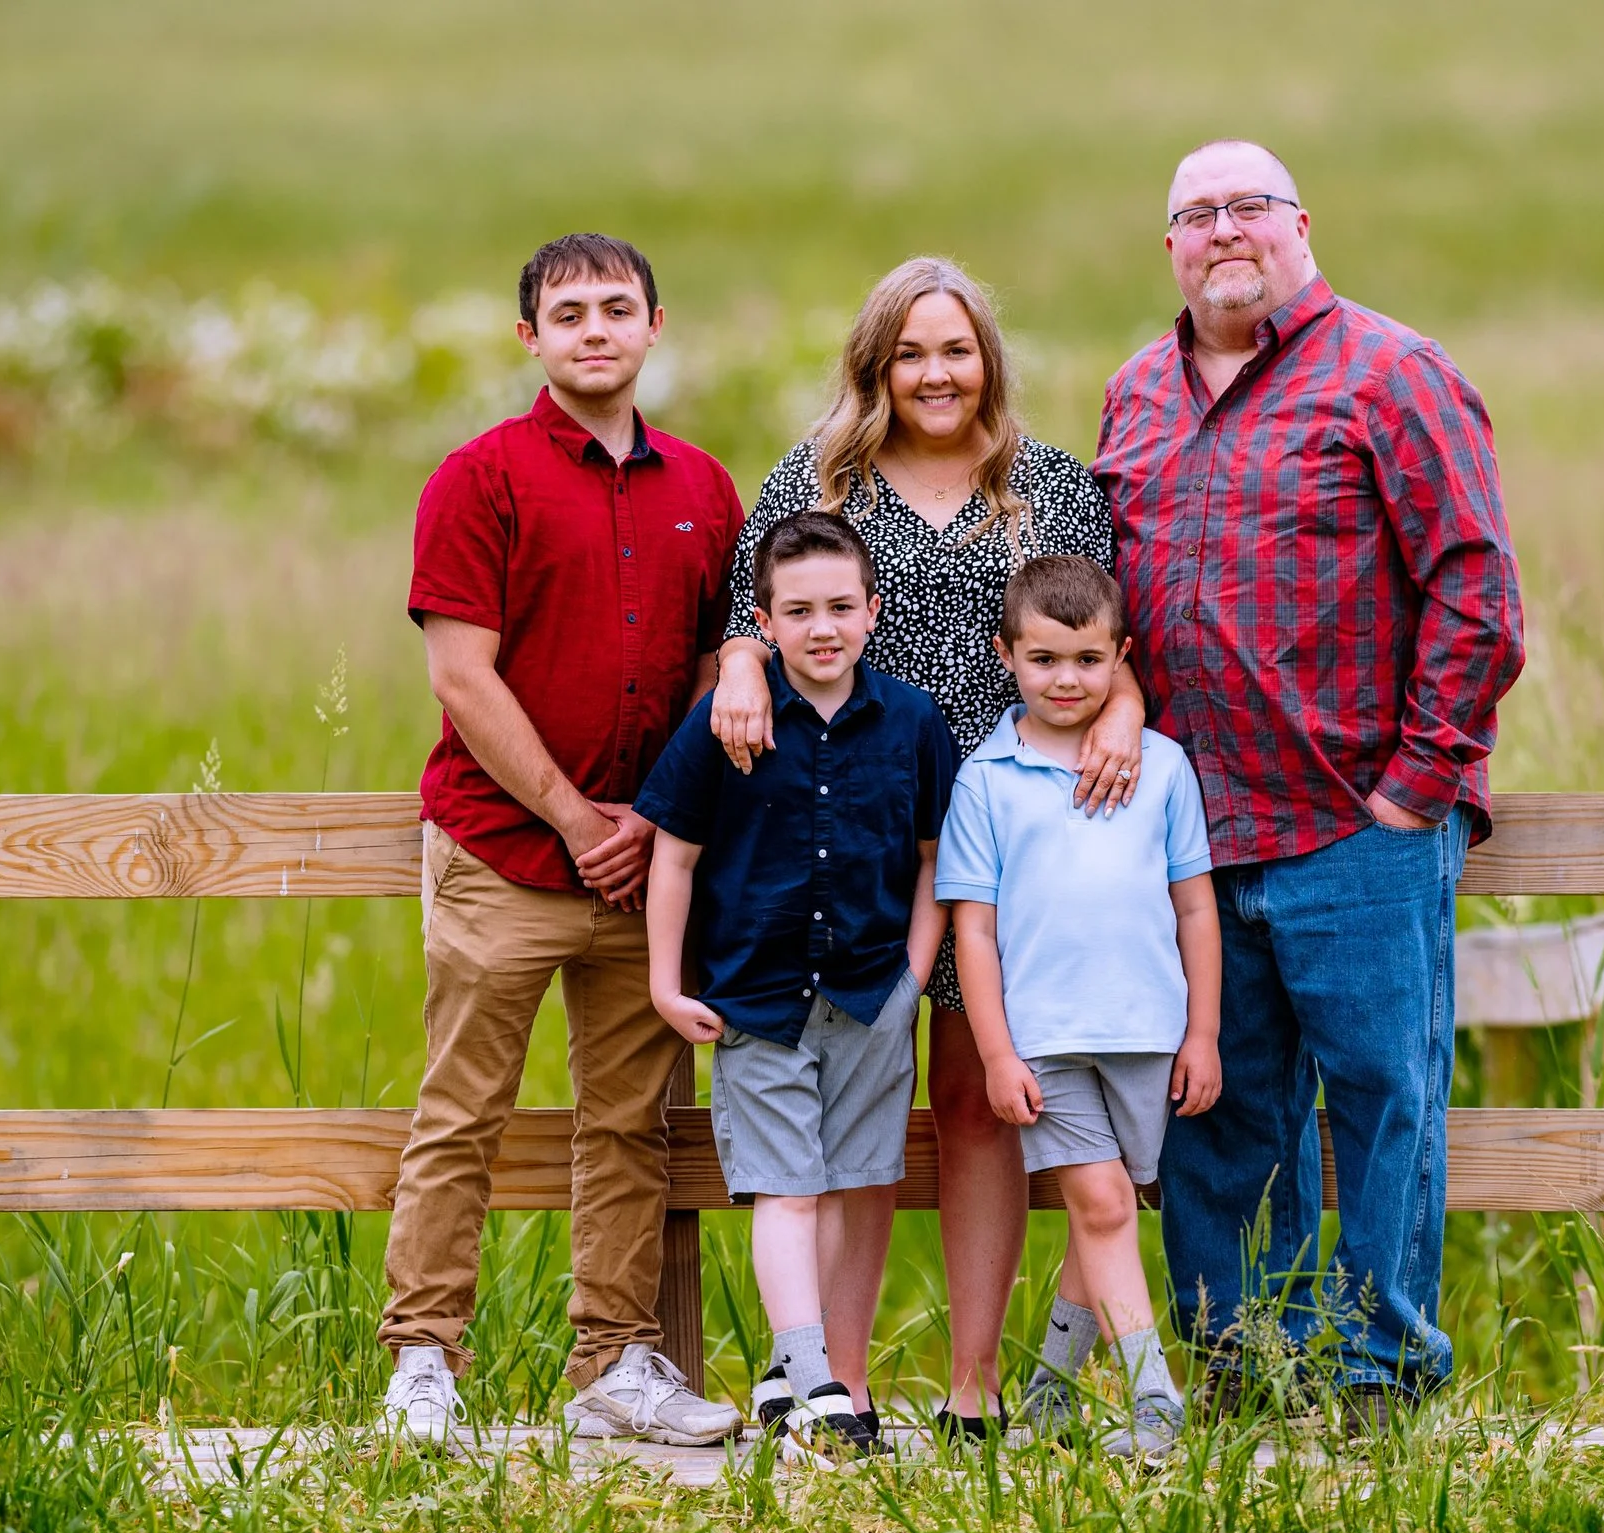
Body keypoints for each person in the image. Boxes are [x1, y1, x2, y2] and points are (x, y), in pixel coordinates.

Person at [1092, 140, 1527, 1421]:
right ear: (1168, 244)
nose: (1224, 230)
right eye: (1195, 214)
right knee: (1218, 1113)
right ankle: (1242, 1374)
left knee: (1385, 1099)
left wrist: (1417, 784)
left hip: (1355, 825)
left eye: (1249, 207)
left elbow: (1476, 588)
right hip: (1193, 835)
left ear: (1299, 225)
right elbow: (1103, 604)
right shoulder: (1134, 393)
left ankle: (1381, 1377)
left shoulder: (1393, 373)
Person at [706, 257, 1142, 1435]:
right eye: (910, 352)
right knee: (853, 1096)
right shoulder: (819, 479)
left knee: (977, 1097)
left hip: (1020, 829)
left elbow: (1104, 640)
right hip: (857, 830)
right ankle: (828, 1385)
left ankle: (975, 1386)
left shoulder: (1049, 485)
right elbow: (744, 623)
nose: (935, 373)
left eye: (956, 350)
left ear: (987, 359)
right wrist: (746, 665)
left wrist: (1129, 711)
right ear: (875, 365)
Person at [377, 233, 746, 1447]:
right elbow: (461, 677)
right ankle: (425, 1356)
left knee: (631, 1119)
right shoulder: (476, 480)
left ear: (653, 327)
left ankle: (614, 1365)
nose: (596, 329)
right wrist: (578, 818)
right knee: (461, 1110)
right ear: (529, 337)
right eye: (569, 313)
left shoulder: (703, 488)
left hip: (649, 869)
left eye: (618, 309)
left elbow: (715, 670)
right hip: (504, 855)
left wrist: (655, 816)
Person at [638, 511, 954, 1458]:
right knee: (784, 1186)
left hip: (868, 994)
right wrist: (666, 982)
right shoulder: (727, 723)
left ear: (873, 611)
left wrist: (911, 973)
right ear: (764, 623)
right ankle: (813, 1374)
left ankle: (804, 1380)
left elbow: (936, 859)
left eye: (841, 608)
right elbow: (676, 859)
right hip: (757, 999)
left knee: (860, 1182)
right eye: (799, 610)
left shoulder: (911, 721)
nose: (823, 627)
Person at [937, 557, 1222, 1458]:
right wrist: (994, 1053)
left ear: (1121, 657)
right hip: (1046, 1036)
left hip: (1149, 1029)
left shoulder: (1164, 768)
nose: (1067, 680)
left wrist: (1203, 1031)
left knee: (1108, 1210)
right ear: (1007, 656)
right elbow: (972, 933)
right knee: (1100, 1201)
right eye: (1045, 660)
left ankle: (1052, 1396)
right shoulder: (986, 779)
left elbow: (1194, 908)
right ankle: (1153, 1400)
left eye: (1090, 661)